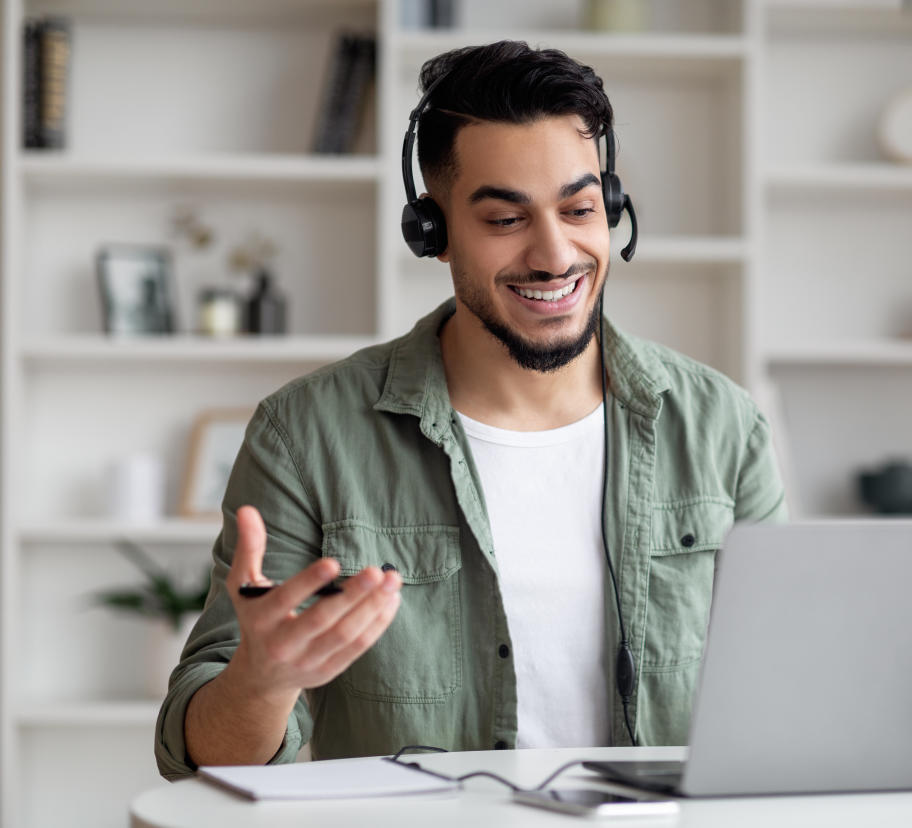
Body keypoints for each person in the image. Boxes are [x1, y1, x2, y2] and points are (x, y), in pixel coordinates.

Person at [156, 40, 785, 780]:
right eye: (504, 220)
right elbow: (198, 755)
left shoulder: (720, 425)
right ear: (434, 231)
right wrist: (261, 681)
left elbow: (782, 687)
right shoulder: (305, 434)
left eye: (580, 209)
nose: (556, 255)